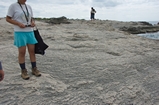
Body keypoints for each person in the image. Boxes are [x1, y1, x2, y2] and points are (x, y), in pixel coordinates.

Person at [6, 0, 41, 80]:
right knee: (22, 52)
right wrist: (18, 23)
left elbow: (32, 18)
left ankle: (34, 69)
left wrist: (32, 22)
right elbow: (8, 19)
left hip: (30, 32)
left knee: (32, 51)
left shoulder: (28, 6)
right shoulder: (13, 6)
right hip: (19, 32)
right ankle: (23, 71)